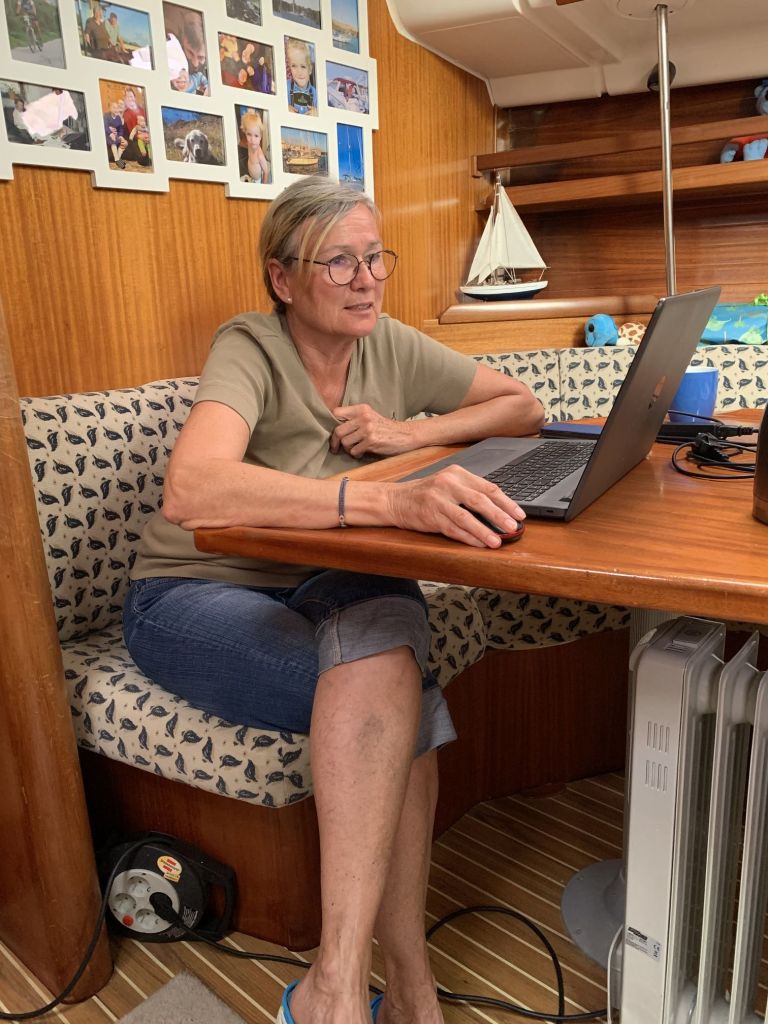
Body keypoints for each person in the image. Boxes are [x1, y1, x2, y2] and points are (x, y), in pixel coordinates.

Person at [122, 176, 543, 1024]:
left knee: (392, 658)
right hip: (196, 591)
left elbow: (524, 407)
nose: (366, 280)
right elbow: (191, 489)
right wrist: (388, 499)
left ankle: (341, 990)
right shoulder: (250, 344)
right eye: (339, 262)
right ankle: (395, 989)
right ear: (283, 279)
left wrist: (408, 433)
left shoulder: (387, 342)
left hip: (327, 580)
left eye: (376, 258)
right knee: (400, 692)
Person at [238, 108, 270, 183]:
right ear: (245, 132)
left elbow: (266, 172)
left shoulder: (259, 155)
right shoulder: (250, 144)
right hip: (250, 174)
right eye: (249, 134)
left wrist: (263, 185)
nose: (252, 140)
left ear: (260, 137)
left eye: (256, 136)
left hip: (257, 180)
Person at [285, 38, 316, 115]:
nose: (299, 72)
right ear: (289, 67)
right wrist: (285, 107)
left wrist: (317, 112)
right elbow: (276, 104)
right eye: (294, 66)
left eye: (303, 66)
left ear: (310, 69)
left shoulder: (315, 93)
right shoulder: (285, 87)